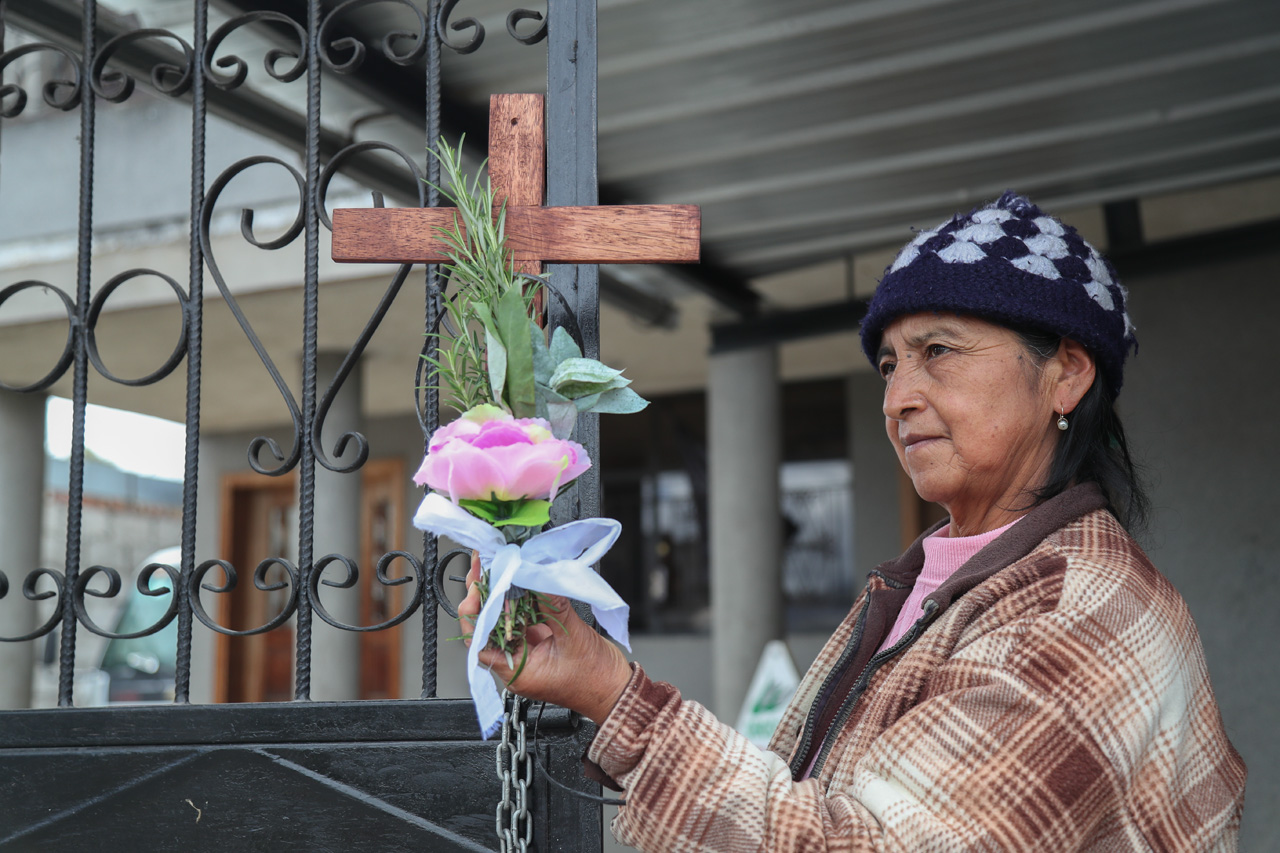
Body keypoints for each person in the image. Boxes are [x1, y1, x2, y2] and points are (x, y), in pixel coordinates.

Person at [459, 191, 1246, 851]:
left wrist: (611, 687)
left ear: (1067, 373)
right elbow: (803, 796)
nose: (897, 397)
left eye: (939, 350)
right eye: (890, 362)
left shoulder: (1079, 614)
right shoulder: (927, 577)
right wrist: (598, 684)